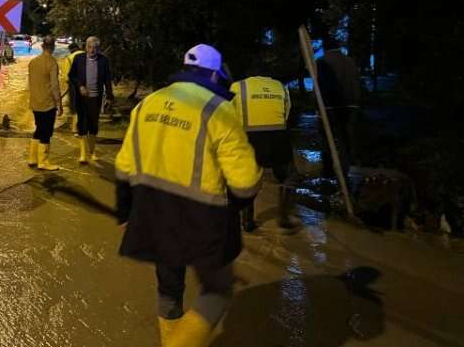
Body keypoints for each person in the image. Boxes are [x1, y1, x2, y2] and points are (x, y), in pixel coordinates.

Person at [115, 44, 262, 347]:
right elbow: (245, 184)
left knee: (169, 289)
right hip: (202, 220)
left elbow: (124, 166)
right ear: (214, 74)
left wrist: (125, 211)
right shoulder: (219, 109)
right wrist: (234, 209)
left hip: (152, 213)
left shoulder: (148, 103)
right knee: (217, 290)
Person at [230, 75, 300, 233]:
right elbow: (287, 112)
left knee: (249, 179)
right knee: (290, 176)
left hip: (250, 138)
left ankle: (247, 221)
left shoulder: (238, 86)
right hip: (278, 137)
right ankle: (284, 217)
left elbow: (229, 114)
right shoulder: (280, 86)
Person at [315, 45, 362, 182]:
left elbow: (319, 85)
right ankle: (344, 170)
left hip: (329, 106)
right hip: (350, 105)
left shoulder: (322, 61)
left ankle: (328, 169)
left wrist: (318, 106)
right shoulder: (350, 61)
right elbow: (356, 83)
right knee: (345, 138)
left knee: (326, 137)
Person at [68, 36, 114, 163]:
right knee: (82, 124)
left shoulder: (104, 60)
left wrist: (110, 97)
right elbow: (71, 76)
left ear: (98, 49)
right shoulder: (79, 58)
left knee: (93, 125)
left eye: (95, 48)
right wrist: (80, 86)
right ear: (85, 47)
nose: (92, 50)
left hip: (96, 98)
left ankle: (92, 152)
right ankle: (83, 154)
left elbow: (107, 80)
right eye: (89, 47)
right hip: (82, 98)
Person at [27, 35, 63, 171]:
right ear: (53, 47)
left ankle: (32, 158)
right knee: (46, 132)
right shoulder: (52, 62)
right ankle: (43, 161)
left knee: (39, 129)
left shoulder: (33, 62)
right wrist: (59, 103)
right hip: (48, 104)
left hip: (35, 103)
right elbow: (54, 85)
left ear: (42, 46)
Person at [62, 41, 84, 135]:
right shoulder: (87, 55)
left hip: (74, 85)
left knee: (75, 107)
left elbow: (67, 76)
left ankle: (75, 129)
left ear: (71, 49)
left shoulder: (69, 58)